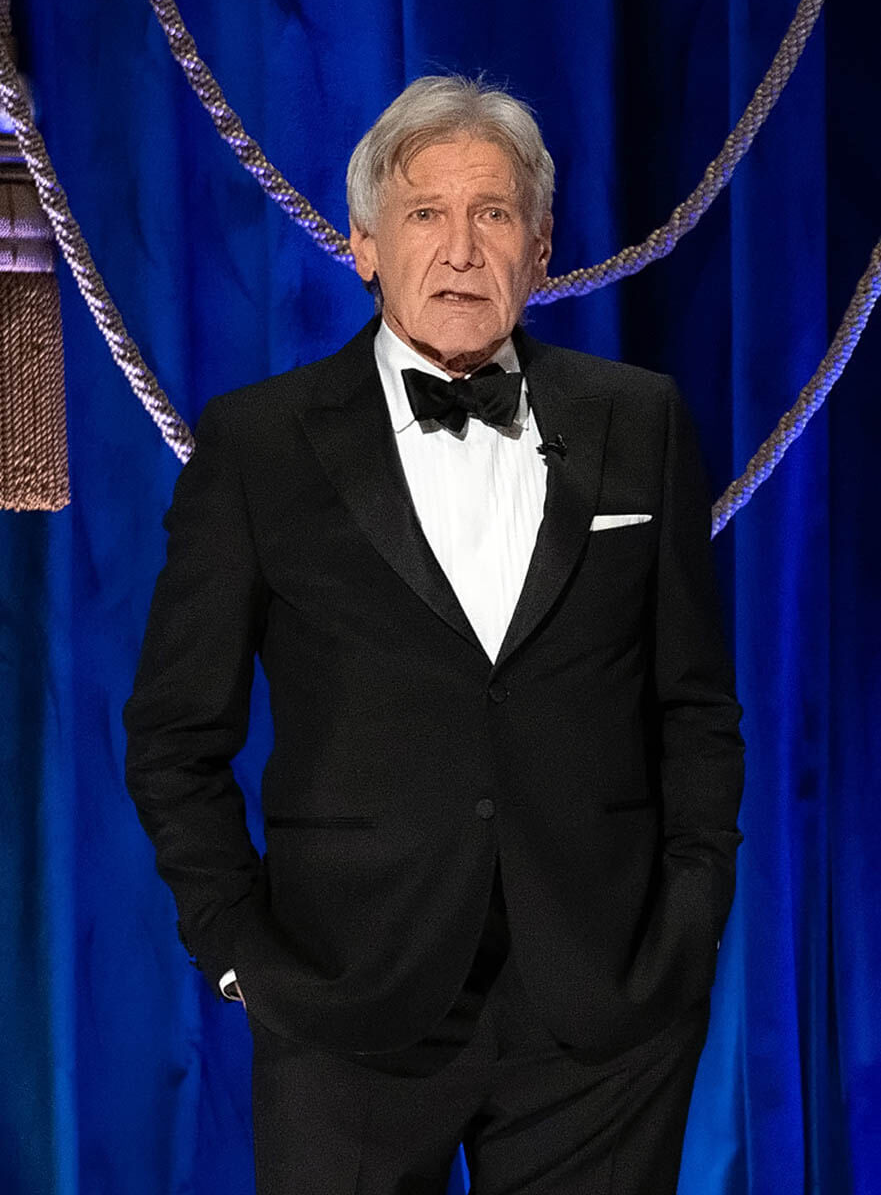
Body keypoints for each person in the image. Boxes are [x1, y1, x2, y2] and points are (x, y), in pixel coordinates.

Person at [123, 74, 745, 1195]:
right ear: (364, 246)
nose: (460, 249)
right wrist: (238, 954)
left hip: (603, 1019)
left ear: (539, 248)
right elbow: (175, 735)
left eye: (492, 213)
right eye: (424, 214)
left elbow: (693, 704)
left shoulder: (639, 419)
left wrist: (688, 924)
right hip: (344, 1005)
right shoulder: (259, 445)